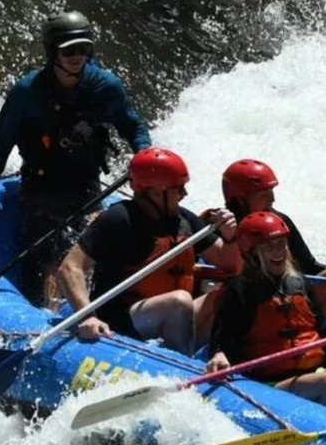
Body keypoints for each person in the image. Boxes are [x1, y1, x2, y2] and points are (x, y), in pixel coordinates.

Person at [0, 11, 152, 305]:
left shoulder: (106, 86)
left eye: (83, 49)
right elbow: (1, 142)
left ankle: (102, 308)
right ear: (53, 51)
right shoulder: (27, 92)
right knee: (51, 251)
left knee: (94, 241)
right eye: (69, 50)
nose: (77, 56)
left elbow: (132, 125)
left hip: (85, 182)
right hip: (41, 184)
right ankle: (49, 313)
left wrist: (144, 156)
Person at [57, 147, 240, 354]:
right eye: (178, 188)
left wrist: (230, 235)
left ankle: (219, 357)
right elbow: (70, 268)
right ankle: (182, 364)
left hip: (173, 318)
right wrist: (87, 316)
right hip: (122, 320)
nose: (184, 194)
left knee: (227, 293)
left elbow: (229, 263)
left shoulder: (184, 220)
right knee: (178, 302)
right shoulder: (119, 219)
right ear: (154, 192)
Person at [205, 212, 326, 407]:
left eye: (282, 244)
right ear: (253, 253)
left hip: (315, 372)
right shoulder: (240, 291)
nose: (279, 251)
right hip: (269, 385)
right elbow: (223, 338)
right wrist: (220, 354)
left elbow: (322, 331)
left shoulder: (298, 282)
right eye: (270, 247)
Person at [215, 159, 326, 275]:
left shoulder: (280, 221)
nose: (272, 199)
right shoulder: (216, 227)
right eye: (263, 195)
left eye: (271, 192)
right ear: (240, 200)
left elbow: (312, 269)